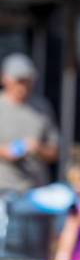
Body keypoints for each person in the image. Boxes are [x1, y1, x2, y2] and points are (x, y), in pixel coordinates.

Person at [0, 52, 58, 192]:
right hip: (4, 188)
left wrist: (38, 148)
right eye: (19, 80)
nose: (23, 86)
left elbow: (55, 152)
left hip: (35, 189)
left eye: (27, 80)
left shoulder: (42, 107)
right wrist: (5, 152)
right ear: (5, 79)